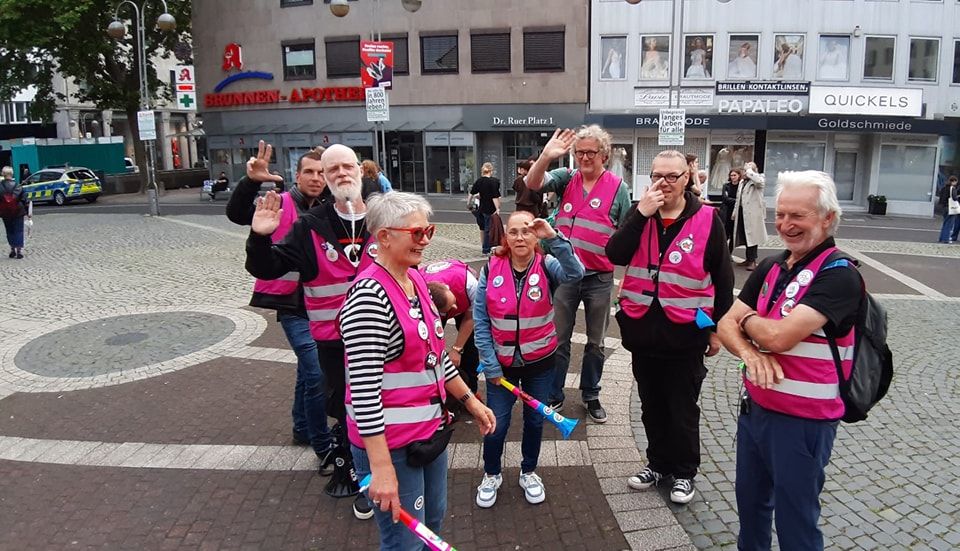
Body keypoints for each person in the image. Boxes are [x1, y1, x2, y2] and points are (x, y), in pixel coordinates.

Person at [338, 192, 496, 550]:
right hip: (392, 446)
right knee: (404, 543)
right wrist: (380, 469)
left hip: (427, 435)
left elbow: (434, 357)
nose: (425, 240)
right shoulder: (369, 298)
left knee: (432, 525)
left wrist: (470, 402)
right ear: (383, 237)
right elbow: (363, 393)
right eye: (416, 233)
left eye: (430, 230)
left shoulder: (417, 282)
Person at [716, 170, 861, 550]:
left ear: (828, 218)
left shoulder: (839, 275)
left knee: (796, 519)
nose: (785, 225)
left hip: (804, 423)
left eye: (798, 216)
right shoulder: (772, 266)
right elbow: (723, 325)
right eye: (780, 214)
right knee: (751, 508)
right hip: (756, 413)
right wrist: (748, 351)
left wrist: (745, 320)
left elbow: (778, 337)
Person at [245, 143, 377, 519]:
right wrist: (259, 237)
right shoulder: (309, 226)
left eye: (346, 166)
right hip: (334, 344)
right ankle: (363, 479)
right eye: (331, 168)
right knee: (348, 411)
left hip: (384, 339)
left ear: (359, 170)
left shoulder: (384, 217)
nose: (340, 173)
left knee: (382, 407)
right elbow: (268, 267)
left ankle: (387, 471)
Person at [607, 150, 734, 505]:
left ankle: (684, 472)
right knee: (651, 405)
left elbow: (722, 282)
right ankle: (657, 464)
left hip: (685, 335)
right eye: (657, 175)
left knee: (681, 408)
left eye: (671, 177)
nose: (662, 183)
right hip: (643, 332)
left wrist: (714, 331)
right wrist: (640, 214)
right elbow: (615, 254)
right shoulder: (641, 213)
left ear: (687, 178)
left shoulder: (709, 219)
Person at [226, 142, 334, 467]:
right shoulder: (279, 201)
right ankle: (322, 443)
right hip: (291, 304)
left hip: (321, 302)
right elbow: (237, 214)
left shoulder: (330, 207)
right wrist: (250, 183)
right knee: (317, 371)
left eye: (322, 173)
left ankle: (302, 426)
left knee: (308, 369)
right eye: (309, 172)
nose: (316, 178)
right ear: (297, 176)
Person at [473, 211, 585, 509]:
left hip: (541, 363)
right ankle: (492, 473)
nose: (520, 237)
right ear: (505, 237)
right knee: (496, 422)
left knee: (535, 421)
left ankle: (529, 471)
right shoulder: (491, 267)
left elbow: (576, 273)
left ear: (536, 235)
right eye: (513, 232)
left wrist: (555, 238)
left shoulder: (547, 265)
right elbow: (481, 319)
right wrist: (491, 364)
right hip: (502, 366)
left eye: (527, 231)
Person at [525, 126, 633, 422]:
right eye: (579, 152)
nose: (584, 157)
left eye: (590, 152)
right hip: (565, 274)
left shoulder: (618, 188)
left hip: (599, 277)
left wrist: (626, 279)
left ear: (605, 155)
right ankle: (555, 392)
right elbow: (532, 183)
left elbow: (628, 235)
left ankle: (591, 394)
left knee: (596, 341)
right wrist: (546, 156)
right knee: (559, 338)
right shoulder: (566, 179)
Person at [422, 258, 481, 411]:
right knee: (429, 351)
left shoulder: (471, 285)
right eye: (450, 308)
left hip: (465, 298)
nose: (455, 307)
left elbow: (470, 318)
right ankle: (436, 395)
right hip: (431, 309)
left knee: (471, 346)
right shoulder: (419, 297)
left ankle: (471, 394)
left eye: (454, 302)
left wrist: (456, 349)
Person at [732, 162, 768, 270]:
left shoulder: (758, 179)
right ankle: (748, 259)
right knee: (746, 236)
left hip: (753, 214)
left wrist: (750, 171)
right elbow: (739, 198)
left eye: (747, 170)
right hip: (743, 212)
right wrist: (735, 212)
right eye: (745, 169)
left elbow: (759, 182)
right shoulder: (743, 182)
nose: (745, 171)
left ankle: (753, 260)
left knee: (753, 237)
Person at [469, 162, 502, 255]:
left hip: (481, 208)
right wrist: (498, 208)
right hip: (490, 208)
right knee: (489, 228)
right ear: (491, 171)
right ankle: (486, 248)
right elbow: (495, 197)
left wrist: (469, 203)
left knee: (483, 228)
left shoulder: (479, 181)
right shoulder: (493, 182)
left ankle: (485, 246)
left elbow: (471, 193)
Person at [1, 166, 30, 259]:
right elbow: (25, 199)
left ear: (3, 174)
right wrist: (27, 211)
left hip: (5, 212)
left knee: (9, 230)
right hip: (18, 211)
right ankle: (19, 250)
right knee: (19, 230)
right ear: (12, 174)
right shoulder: (18, 185)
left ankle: (12, 249)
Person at [721, 169, 744, 252]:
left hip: (736, 212)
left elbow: (742, 199)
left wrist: (736, 201)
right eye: (731, 175)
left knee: (733, 234)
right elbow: (725, 198)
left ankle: (729, 253)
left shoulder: (741, 187)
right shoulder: (726, 186)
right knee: (725, 233)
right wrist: (736, 201)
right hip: (727, 212)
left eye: (735, 175)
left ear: (739, 176)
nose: (733, 177)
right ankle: (722, 252)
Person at [937, 175, 958, 243]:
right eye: (955, 182)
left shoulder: (944, 188)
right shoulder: (952, 188)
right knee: (949, 224)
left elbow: (941, 198)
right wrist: (957, 197)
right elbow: (954, 198)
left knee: (945, 223)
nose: (956, 183)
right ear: (953, 181)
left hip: (944, 207)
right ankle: (946, 239)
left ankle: (941, 238)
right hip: (951, 208)